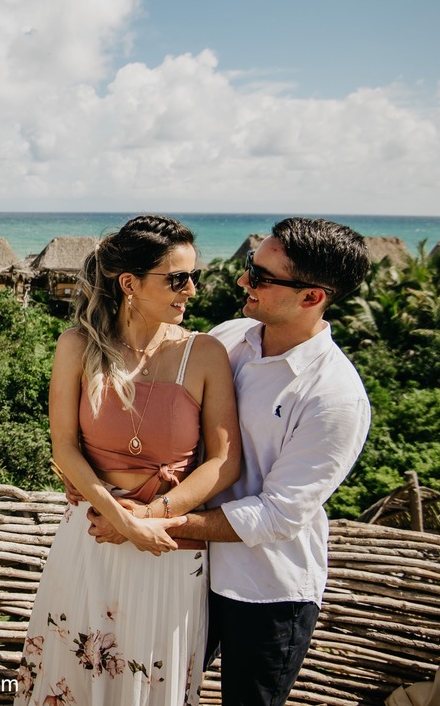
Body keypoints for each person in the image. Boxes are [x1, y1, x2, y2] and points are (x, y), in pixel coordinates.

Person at [86, 217, 372, 706]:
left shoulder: (334, 397)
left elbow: (279, 515)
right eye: (248, 267)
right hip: (189, 568)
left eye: (260, 276)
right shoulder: (231, 337)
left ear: (312, 297)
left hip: (264, 590)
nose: (243, 281)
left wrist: (146, 522)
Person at [14, 215, 241, 706]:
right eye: (177, 278)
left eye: (193, 277)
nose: (192, 290)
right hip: (91, 534)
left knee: (150, 680)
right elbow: (64, 448)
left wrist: (150, 518)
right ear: (130, 284)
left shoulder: (204, 354)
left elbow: (223, 462)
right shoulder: (78, 346)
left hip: (167, 541)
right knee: (73, 677)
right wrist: (119, 517)